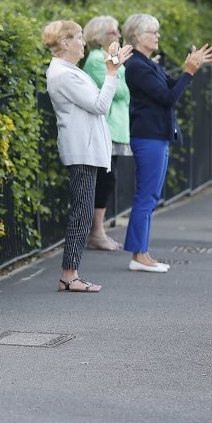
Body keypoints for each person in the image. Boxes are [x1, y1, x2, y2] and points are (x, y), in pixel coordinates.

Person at [44, 20, 132, 292]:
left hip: (87, 148)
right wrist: (111, 72)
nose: (83, 42)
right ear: (65, 43)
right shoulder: (63, 74)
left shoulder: (69, 70)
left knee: (83, 211)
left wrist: (113, 69)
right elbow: (100, 105)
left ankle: (71, 274)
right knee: (81, 212)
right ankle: (69, 276)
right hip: (81, 149)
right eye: (79, 37)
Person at [121, 14, 212, 272]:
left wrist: (189, 69)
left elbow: (172, 86)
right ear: (137, 36)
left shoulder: (148, 63)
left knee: (150, 195)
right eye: (153, 31)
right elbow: (169, 97)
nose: (157, 35)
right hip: (148, 136)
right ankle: (139, 255)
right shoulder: (137, 66)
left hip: (156, 135)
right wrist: (189, 71)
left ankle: (141, 253)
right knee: (146, 196)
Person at [81, 16, 130, 251]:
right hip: (106, 128)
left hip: (117, 126)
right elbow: (119, 90)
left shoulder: (109, 58)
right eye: (113, 33)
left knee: (109, 179)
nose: (117, 36)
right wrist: (118, 68)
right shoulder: (95, 59)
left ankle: (99, 231)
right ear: (99, 37)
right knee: (105, 180)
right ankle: (96, 233)